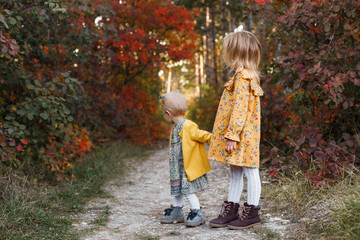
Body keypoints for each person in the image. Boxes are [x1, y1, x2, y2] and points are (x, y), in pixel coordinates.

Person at [208, 30, 264, 230]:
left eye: (228, 52)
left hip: (242, 135)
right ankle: (231, 209)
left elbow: (239, 109)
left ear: (236, 53)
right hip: (243, 134)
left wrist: (232, 135)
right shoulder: (245, 77)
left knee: (250, 170)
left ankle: (252, 211)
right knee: (235, 169)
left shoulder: (242, 78)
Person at [159, 91, 212, 227]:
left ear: (168, 113)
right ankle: (177, 211)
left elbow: (201, 134)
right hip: (178, 168)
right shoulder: (176, 128)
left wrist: (214, 139)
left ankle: (197, 212)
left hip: (187, 168)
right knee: (178, 189)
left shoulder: (188, 125)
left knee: (188, 192)